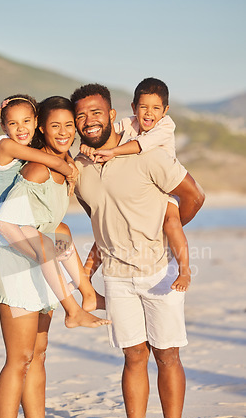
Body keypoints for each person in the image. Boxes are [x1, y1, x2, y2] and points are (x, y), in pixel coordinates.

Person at [70, 83, 205, 418]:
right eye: (81, 115)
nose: (88, 121)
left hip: (159, 272)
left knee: (168, 356)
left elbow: (194, 196)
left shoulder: (151, 154)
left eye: (96, 112)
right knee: (133, 357)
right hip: (116, 277)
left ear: (113, 115)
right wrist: (91, 267)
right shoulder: (80, 168)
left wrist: (168, 228)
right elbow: (102, 220)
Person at [0, 96, 111, 418]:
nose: (63, 132)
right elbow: (3, 221)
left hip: (44, 270)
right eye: (55, 126)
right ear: (42, 127)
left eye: (68, 126)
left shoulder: (65, 165)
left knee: (38, 355)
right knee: (19, 357)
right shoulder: (37, 170)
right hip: (16, 269)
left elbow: (54, 226)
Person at [0, 93, 104, 312]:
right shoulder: (5, 145)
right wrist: (70, 170)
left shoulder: (26, 144)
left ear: (35, 123)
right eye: (13, 123)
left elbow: (60, 153)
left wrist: (70, 160)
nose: (21, 128)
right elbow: (51, 159)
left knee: (63, 230)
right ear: (4, 126)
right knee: (47, 248)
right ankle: (59, 277)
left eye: (26, 122)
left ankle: (87, 292)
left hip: (7, 208)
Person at [80, 78, 190, 292]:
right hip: (140, 188)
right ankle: (87, 275)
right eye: (143, 107)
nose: (149, 113)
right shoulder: (129, 123)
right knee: (111, 224)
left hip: (164, 189)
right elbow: (107, 134)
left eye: (156, 108)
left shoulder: (166, 126)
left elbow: (142, 144)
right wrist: (87, 145)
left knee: (172, 223)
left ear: (165, 110)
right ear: (134, 107)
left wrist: (113, 152)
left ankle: (184, 271)